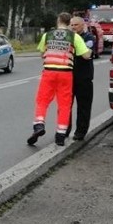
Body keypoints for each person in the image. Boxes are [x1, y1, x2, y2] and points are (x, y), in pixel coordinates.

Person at [27, 12, 92, 147]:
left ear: (58, 21)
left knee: (42, 100)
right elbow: (85, 56)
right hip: (66, 74)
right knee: (64, 104)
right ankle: (60, 136)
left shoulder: (47, 35)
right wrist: (89, 51)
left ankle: (39, 125)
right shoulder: (74, 37)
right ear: (69, 24)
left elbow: (42, 53)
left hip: (49, 72)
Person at [67, 15, 95, 140]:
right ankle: (64, 129)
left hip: (84, 78)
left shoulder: (89, 37)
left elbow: (86, 54)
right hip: (68, 76)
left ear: (83, 25)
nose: (73, 27)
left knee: (83, 106)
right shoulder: (67, 38)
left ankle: (80, 132)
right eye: (71, 25)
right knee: (66, 105)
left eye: (76, 25)